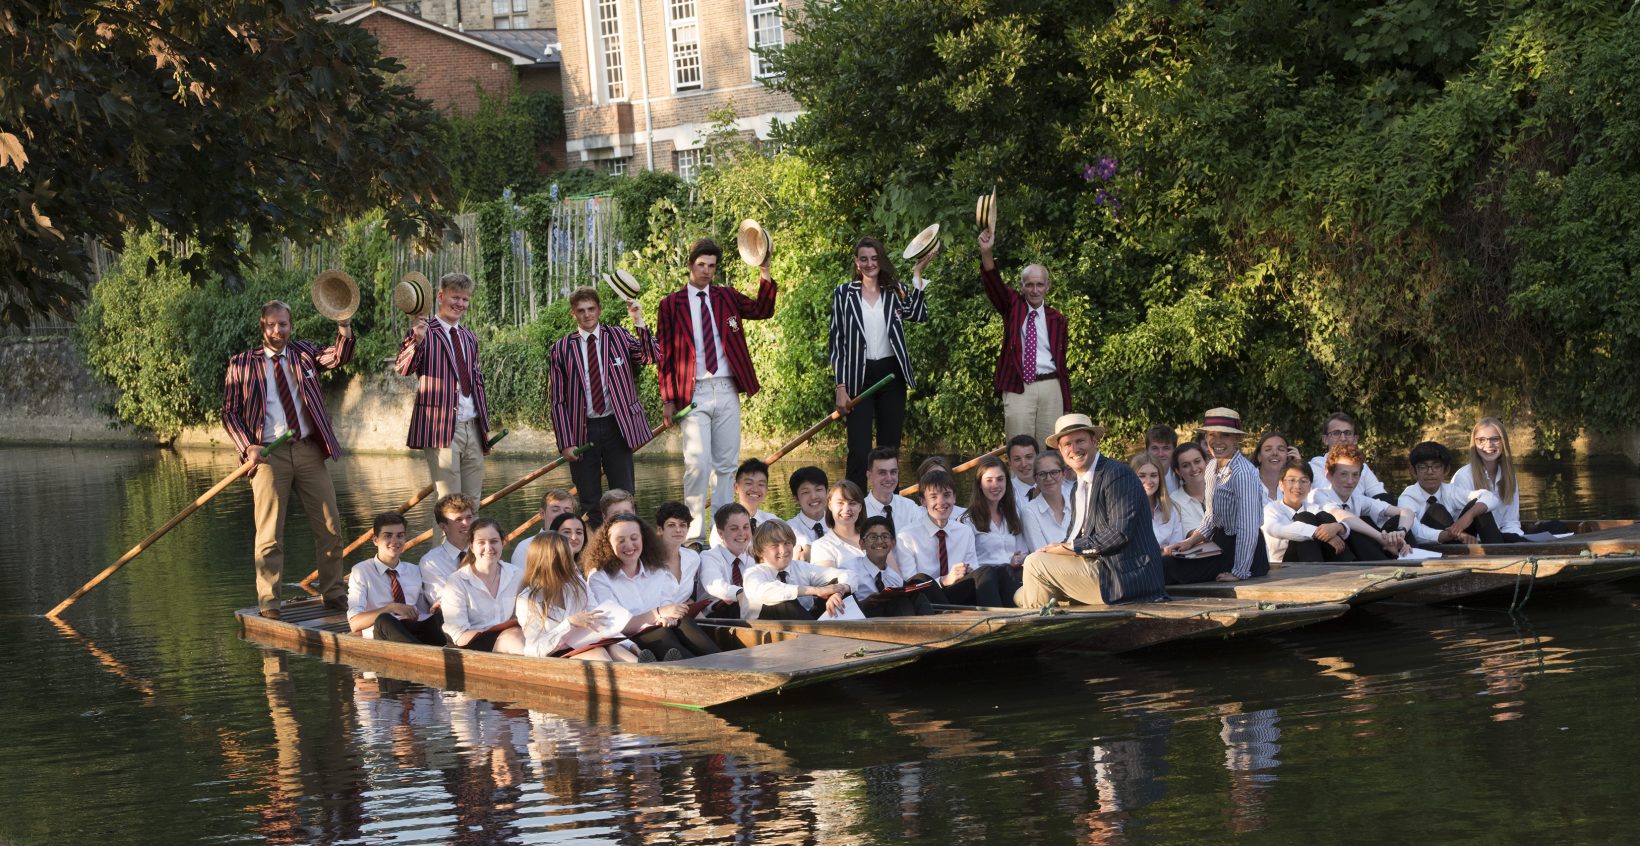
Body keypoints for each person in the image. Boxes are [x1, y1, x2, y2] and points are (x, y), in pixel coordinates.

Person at [221, 299, 355, 618]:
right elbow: (229, 413)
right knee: (269, 534)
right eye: (271, 324)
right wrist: (247, 448)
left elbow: (339, 355)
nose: (277, 330)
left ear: (290, 326)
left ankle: (334, 592)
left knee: (330, 526)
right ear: (261, 325)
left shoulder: (304, 353)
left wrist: (344, 323)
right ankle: (269, 602)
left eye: (283, 324)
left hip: (308, 448)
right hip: (268, 455)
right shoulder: (241, 364)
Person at [656, 238, 778, 543]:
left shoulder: (726, 297)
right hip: (692, 392)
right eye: (701, 265)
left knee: (726, 466)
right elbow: (664, 355)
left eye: (712, 266)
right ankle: (693, 537)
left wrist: (764, 271)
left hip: (726, 387)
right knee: (697, 464)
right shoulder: (670, 304)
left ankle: (723, 535)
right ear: (690, 265)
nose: (707, 271)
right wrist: (668, 399)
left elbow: (763, 309)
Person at [1014, 414, 1168, 607]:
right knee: (1022, 592)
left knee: (1034, 564)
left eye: (1080, 441)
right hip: (1097, 569)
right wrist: (1057, 549)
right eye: (1067, 444)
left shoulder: (1117, 475)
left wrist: (1069, 548)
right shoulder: (1077, 487)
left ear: (1094, 441)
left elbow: (1118, 535)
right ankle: (1047, 626)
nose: (1074, 449)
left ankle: (1042, 633)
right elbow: (1074, 536)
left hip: (1125, 577)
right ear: (1060, 451)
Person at [830, 236, 937, 488]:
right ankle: (853, 509)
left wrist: (918, 274)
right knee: (859, 449)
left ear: (881, 260)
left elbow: (918, 314)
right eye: (864, 259)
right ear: (857, 262)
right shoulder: (844, 294)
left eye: (874, 258)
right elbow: (837, 344)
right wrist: (841, 387)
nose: (870, 264)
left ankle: (892, 509)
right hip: (858, 377)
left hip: (891, 376)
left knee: (889, 449)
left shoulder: (895, 290)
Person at [548, 286, 660, 520]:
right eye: (581, 310)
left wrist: (638, 320)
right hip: (582, 430)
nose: (587, 314)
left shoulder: (619, 336)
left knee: (624, 495)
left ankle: (626, 546)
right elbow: (558, 401)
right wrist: (566, 442)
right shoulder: (560, 349)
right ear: (573, 314)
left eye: (591, 309)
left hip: (617, 426)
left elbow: (651, 356)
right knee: (589, 499)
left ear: (599, 309)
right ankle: (596, 553)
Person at [396, 272, 492, 537]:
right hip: (442, 429)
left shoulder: (470, 337)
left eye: (465, 299)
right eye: (454, 297)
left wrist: (483, 432)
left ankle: (471, 565)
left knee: (472, 505)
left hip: (472, 426)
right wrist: (416, 340)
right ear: (441, 296)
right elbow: (403, 368)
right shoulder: (426, 331)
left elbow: (477, 384)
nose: (460, 303)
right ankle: (443, 572)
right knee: (449, 506)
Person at [978, 227, 1070, 446]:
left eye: (1039, 284)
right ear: (1021, 286)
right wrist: (986, 252)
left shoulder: (1057, 319)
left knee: (1051, 449)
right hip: (1019, 385)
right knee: (1020, 448)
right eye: (1029, 284)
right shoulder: (1013, 306)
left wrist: (1066, 399)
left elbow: (1062, 361)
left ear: (1047, 286)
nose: (1035, 290)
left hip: (1051, 385)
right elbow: (993, 282)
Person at [586, 512, 722, 660]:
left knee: (685, 624)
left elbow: (666, 603)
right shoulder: (599, 577)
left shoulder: (657, 570)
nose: (629, 545)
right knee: (662, 634)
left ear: (642, 539)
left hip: (662, 627)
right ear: (608, 543)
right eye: (621, 540)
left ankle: (723, 663)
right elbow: (617, 625)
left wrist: (667, 616)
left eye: (634, 538)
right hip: (629, 639)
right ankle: (702, 673)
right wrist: (658, 613)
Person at [1163, 408, 1270, 583]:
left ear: (1236, 439)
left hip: (1244, 557)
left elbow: (1248, 527)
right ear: (1206, 438)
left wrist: (1239, 571)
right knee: (1167, 563)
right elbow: (1211, 517)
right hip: (1219, 546)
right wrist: (1190, 542)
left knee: (1168, 568)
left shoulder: (1242, 473)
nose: (1217, 441)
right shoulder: (1212, 467)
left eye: (1225, 435)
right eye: (1212, 435)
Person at [516, 530, 638, 662]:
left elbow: (601, 621)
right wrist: (569, 623)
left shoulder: (577, 584)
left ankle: (645, 667)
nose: (574, 565)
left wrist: (629, 644)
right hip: (554, 658)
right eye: (568, 559)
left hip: (585, 646)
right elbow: (533, 650)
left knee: (616, 649)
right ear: (552, 564)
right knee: (599, 654)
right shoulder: (527, 600)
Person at [897, 467, 1010, 606]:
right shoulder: (907, 536)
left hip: (957, 593)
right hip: (927, 598)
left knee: (998, 571)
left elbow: (975, 570)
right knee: (920, 578)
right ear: (923, 501)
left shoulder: (964, 531)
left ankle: (1009, 623)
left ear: (954, 497)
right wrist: (944, 580)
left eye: (946, 495)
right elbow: (910, 584)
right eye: (933, 496)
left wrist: (967, 571)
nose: (941, 502)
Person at [347, 512, 443, 644]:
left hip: (414, 627)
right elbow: (355, 624)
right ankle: (422, 652)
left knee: (442, 616)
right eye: (387, 535)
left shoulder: (414, 570)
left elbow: (423, 609)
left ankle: (455, 653)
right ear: (375, 540)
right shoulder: (361, 571)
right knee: (385, 619)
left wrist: (436, 607)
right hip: (384, 630)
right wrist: (390, 608)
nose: (395, 541)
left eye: (400, 536)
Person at [1307, 444, 1415, 560]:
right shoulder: (1318, 494)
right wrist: (1383, 539)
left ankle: (1407, 554)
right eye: (1343, 474)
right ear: (1329, 475)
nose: (1350, 481)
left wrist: (1400, 533)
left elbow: (1407, 512)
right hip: (1331, 555)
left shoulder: (1357, 499)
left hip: (1360, 553)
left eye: (1355, 475)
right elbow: (1342, 516)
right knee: (1355, 526)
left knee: (1396, 522)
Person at [439, 517, 526, 653]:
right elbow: (457, 634)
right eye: (481, 543)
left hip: (512, 637)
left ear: (502, 543)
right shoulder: (457, 582)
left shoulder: (517, 575)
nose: (488, 548)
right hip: (470, 645)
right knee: (514, 639)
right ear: (472, 547)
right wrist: (497, 634)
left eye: (494, 541)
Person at [1399, 441, 1507, 546]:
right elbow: (1416, 532)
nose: (1430, 472)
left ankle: (1497, 550)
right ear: (1414, 472)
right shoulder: (1408, 497)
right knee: (1436, 509)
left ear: (1445, 470)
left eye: (1436, 466)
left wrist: (1469, 516)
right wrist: (1451, 534)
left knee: (1479, 506)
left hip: (1459, 540)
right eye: (1423, 467)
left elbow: (1489, 497)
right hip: (1431, 547)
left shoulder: (1449, 490)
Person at [742, 522, 855, 620]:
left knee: (840, 589)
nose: (783, 550)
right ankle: (824, 637)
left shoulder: (801, 567)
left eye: (787, 543)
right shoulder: (753, 574)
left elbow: (849, 574)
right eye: (775, 545)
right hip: (765, 630)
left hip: (805, 623)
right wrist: (816, 590)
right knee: (784, 601)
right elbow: (767, 591)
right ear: (760, 551)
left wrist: (838, 592)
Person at [1449, 418, 1531, 542]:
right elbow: (1459, 522)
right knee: (1481, 508)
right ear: (1474, 444)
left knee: (1557, 527)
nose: (1488, 445)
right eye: (1481, 440)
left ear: (1503, 442)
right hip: (1471, 540)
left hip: (1496, 536)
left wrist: (1516, 541)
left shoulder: (1509, 476)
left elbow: (1511, 521)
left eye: (1495, 439)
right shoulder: (1464, 476)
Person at [841, 517, 937, 617]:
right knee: (898, 602)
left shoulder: (895, 579)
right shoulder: (849, 570)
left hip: (893, 621)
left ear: (893, 543)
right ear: (862, 544)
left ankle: (931, 626)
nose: (879, 541)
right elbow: (840, 609)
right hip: (861, 623)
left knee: (917, 595)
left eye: (885, 536)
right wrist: (865, 603)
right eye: (872, 537)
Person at [1261, 461, 1350, 563]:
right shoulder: (1271, 509)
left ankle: (1347, 566)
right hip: (1283, 566)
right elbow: (1277, 529)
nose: (1298, 486)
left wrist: (1338, 527)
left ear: (1310, 486)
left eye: (1303, 481)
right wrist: (1322, 534)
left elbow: (1344, 530)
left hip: (1319, 560)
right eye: (1292, 480)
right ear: (1281, 484)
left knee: (1325, 517)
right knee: (1305, 518)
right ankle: (1315, 570)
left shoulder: (1313, 508)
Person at [962, 456, 1030, 572]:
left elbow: (1022, 551)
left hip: (1013, 577)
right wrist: (1007, 565)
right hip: (986, 583)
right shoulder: (967, 520)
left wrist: (1018, 560)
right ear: (979, 484)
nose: (995, 485)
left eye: (1000, 479)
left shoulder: (1014, 513)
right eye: (989, 480)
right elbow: (967, 566)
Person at [1306, 413, 1389, 502]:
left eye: (1348, 433)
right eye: (1336, 433)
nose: (1343, 438)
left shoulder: (1363, 467)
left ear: (1355, 439)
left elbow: (1380, 495)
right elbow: (1332, 495)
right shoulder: (1315, 466)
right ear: (1325, 440)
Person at [419, 493, 476, 609]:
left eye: (469, 517)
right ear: (443, 527)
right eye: (458, 520)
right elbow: (442, 601)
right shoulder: (431, 562)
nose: (466, 524)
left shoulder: (484, 551)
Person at [698, 503, 755, 618]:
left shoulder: (754, 555)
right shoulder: (709, 557)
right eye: (734, 529)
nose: (742, 533)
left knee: (783, 603)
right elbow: (713, 584)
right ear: (720, 533)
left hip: (749, 607)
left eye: (746, 527)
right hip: (716, 615)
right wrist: (739, 593)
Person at [708, 459, 780, 547]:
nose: (755, 489)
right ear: (736, 487)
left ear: (767, 489)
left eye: (761, 484)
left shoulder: (773, 522)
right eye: (749, 483)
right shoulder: (723, 522)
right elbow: (718, 554)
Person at [510, 488, 576, 569]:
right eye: (555, 510)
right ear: (542, 513)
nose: (562, 515)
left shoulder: (578, 544)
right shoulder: (525, 548)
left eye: (567, 511)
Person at [809, 480, 869, 568]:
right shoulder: (822, 546)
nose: (847, 508)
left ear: (860, 507)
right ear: (830, 505)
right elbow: (830, 580)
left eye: (852, 503)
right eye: (840, 503)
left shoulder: (875, 537)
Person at [862, 448, 923, 534]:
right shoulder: (860, 512)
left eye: (893, 472)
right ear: (869, 476)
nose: (889, 478)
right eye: (882, 472)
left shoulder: (910, 508)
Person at [1130, 453, 1185, 549]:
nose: (1148, 481)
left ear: (1160, 479)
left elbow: (1177, 547)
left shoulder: (1171, 508)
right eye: (1142, 476)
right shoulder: (1125, 512)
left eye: (1154, 475)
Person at [1021, 452, 1072, 551]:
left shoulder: (1076, 502)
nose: (1048, 478)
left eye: (1054, 472)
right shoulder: (1030, 512)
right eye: (1042, 474)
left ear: (1064, 474)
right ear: (1036, 478)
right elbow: (1041, 554)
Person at [655, 501, 701, 604]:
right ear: (660, 530)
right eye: (671, 525)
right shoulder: (648, 563)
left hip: (684, 615)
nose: (678, 530)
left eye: (683, 525)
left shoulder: (693, 558)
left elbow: (685, 599)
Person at [783, 466, 831, 561]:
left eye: (818, 490)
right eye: (805, 492)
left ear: (827, 492)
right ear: (796, 498)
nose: (813, 496)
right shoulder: (788, 531)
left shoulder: (840, 523)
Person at [1170, 442, 1211, 531]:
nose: (1194, 468)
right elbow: (1193, 535)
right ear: (1178, 471)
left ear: (1206, 462)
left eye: (1197, 461)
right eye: (1186, 465)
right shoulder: (1174, 500)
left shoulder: (1220, 489)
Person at [1253, 431, 1301, 504]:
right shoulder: (1247, 482)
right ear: (1259, 456)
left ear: (1288, 457)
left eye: (1281, 449)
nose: (1275, 453)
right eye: (1268, 449)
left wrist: (1299, 467)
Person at [1146, 425, 1181, 492]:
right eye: (1155, 448)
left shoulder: (1181, 475)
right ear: (1147, 450)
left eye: (1166, 448)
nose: (1160, 454)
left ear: (1174, 450)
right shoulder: (1138, 479)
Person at [1006, 435, 1040, 502]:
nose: (1024, 464)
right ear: (1010, 462)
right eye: (1017, 459)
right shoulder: (1006, 492)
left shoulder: (1053, 485)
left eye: (1029, 457)